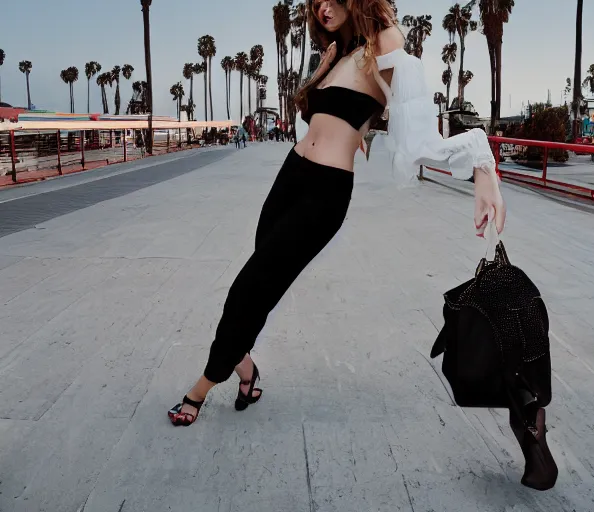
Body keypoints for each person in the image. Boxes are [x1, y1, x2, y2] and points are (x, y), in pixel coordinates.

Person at [168, 0, 506, 428]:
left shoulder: (385, 41)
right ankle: (247, 373)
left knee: (247, 289)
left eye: (330, 0)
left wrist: (483, 168)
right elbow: (311, 120)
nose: (322, 9)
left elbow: (421, 134)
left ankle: (201, 388)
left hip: (323, 194)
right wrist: (321, 73)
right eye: (314, 4)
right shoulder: (337, 53)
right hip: (290, 176)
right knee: (259, 284)